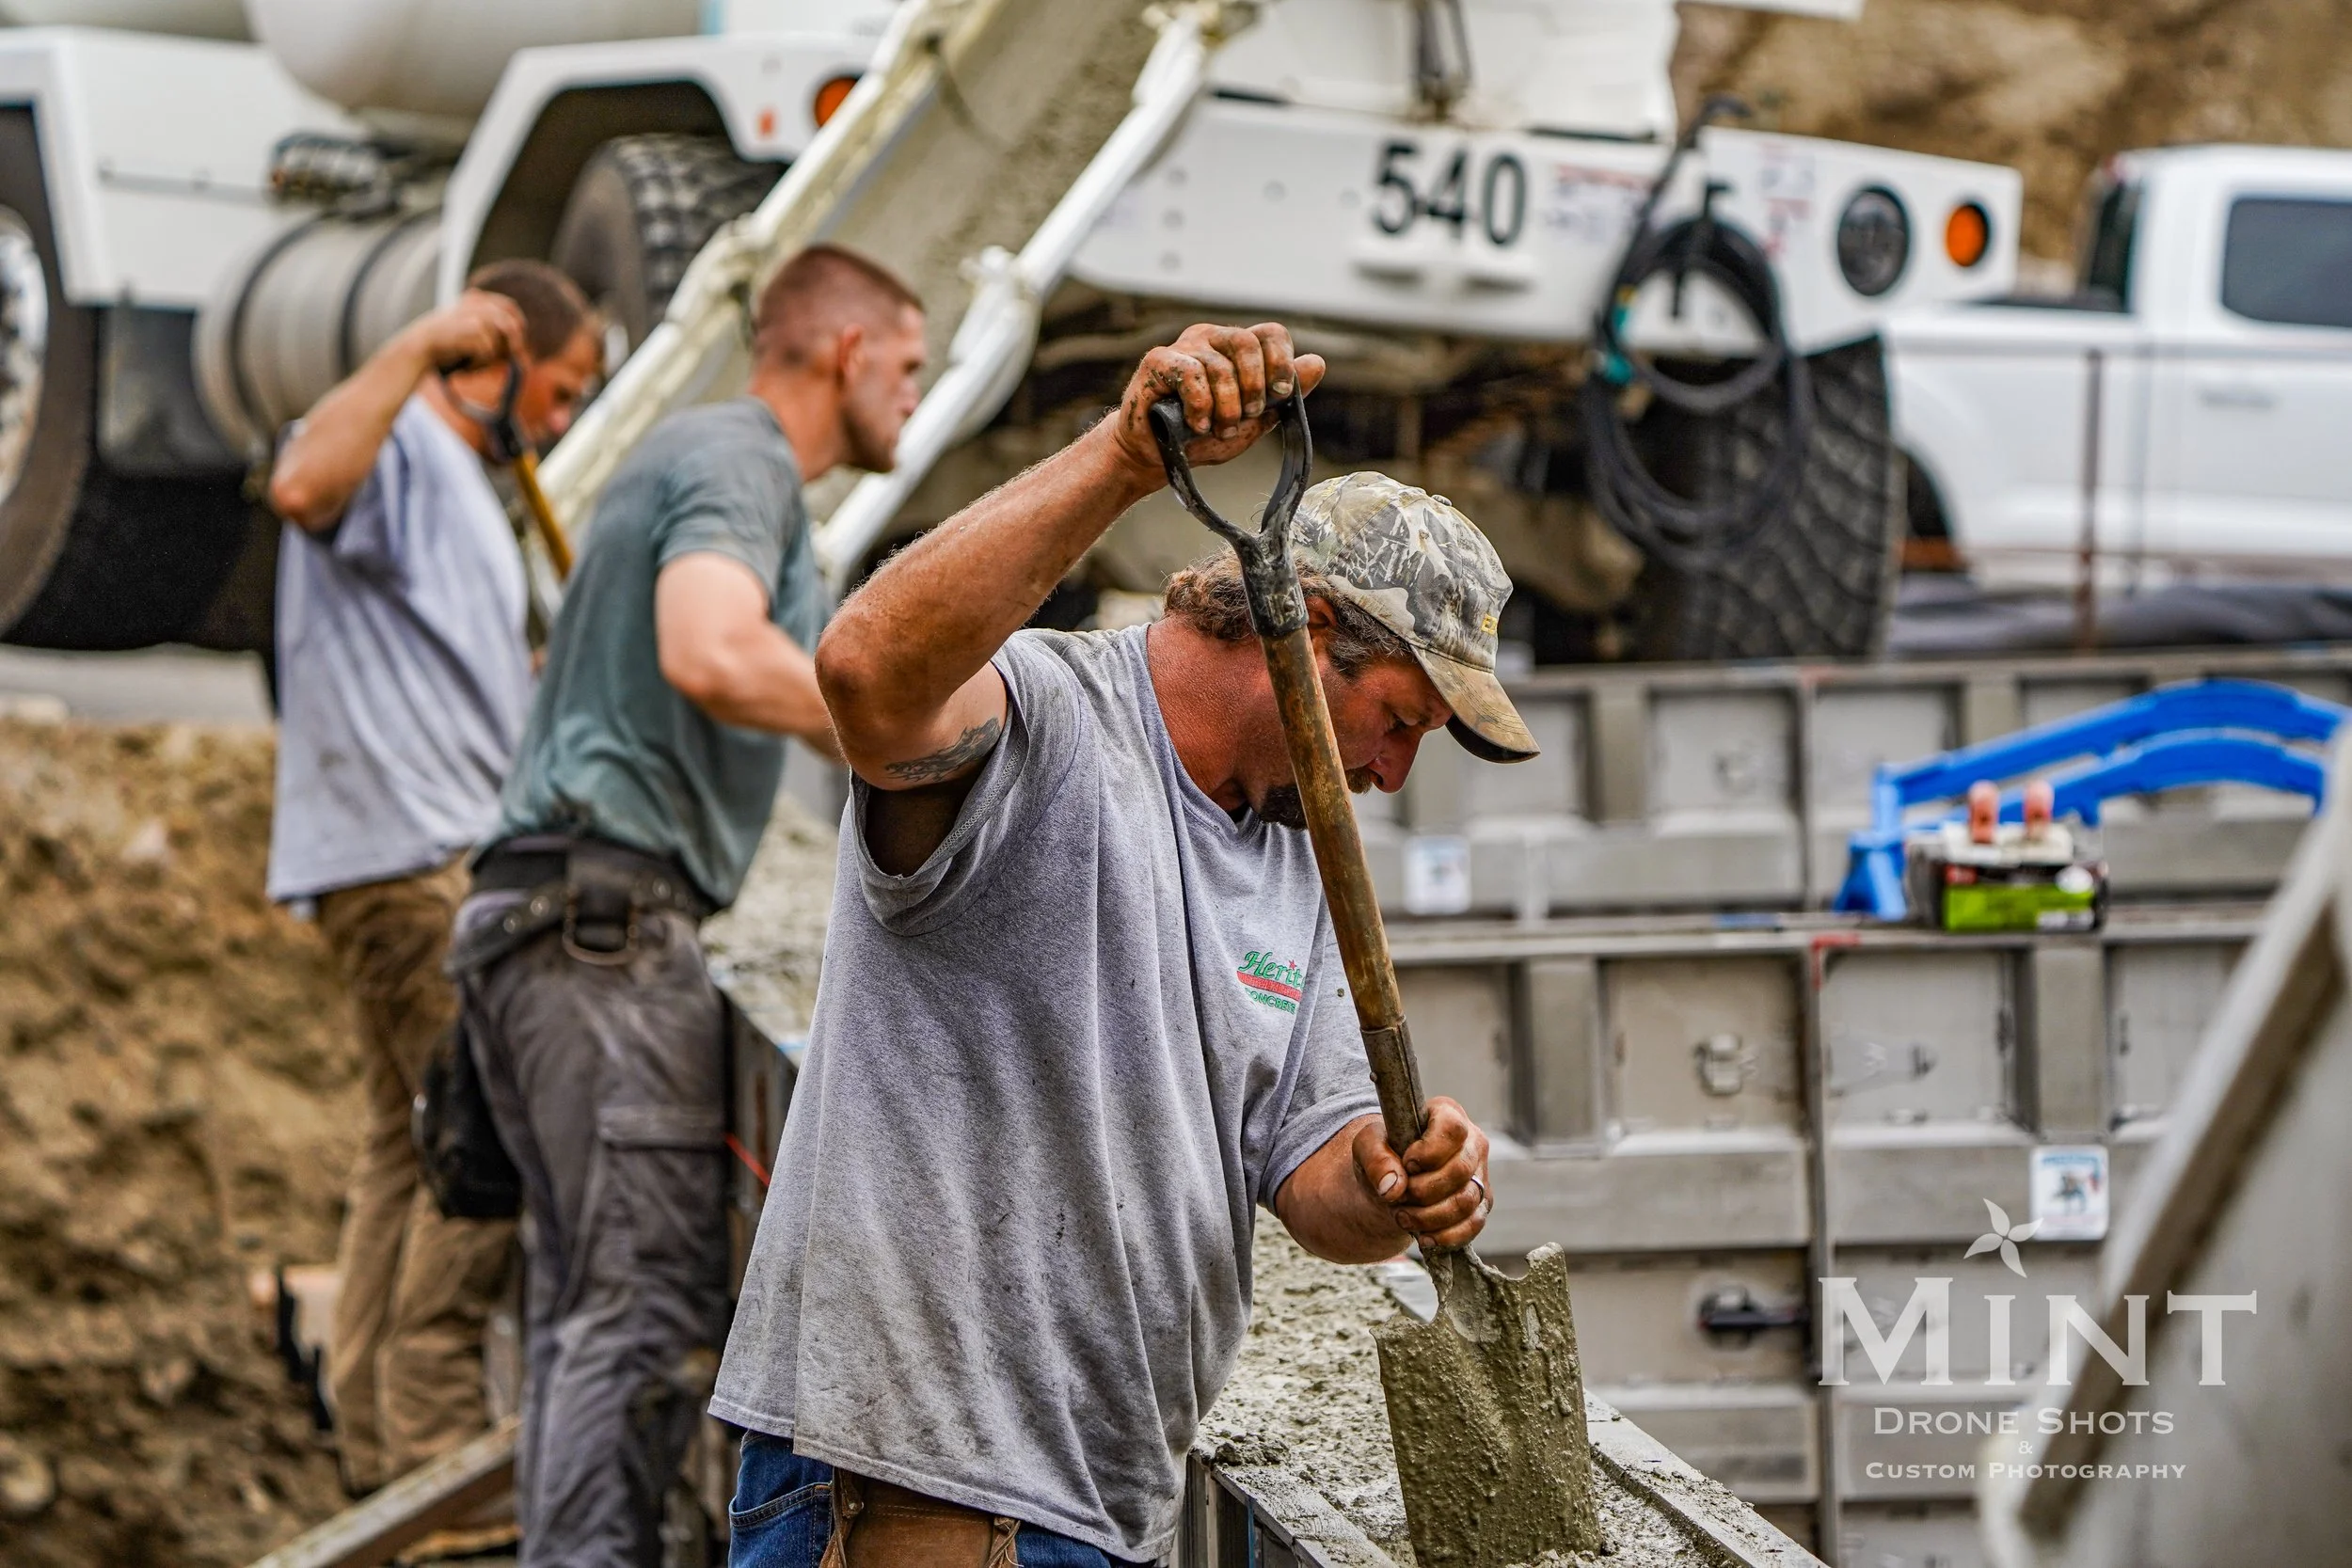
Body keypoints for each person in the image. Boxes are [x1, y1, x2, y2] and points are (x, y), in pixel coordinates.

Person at [713, 321, 1538, 1566]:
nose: (1392, 770)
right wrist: (1121, 459)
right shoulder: (1043, 727)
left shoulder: (1295, 870)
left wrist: (1386, 1176)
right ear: (1304, 630)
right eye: (1399, 719)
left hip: (1106, 1506)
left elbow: (1308, 1172)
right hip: (921, 1492)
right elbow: (866, 674)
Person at [446, 244, 928, 1568]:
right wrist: (908, 728)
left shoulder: (702, 456)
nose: (915, 388)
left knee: (582, 1316)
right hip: (600, 938)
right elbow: (710, 648)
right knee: (639, 1317)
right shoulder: (743, 461)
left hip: (546, 923)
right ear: (844, 352)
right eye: (908, 363)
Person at [262, 259, 599, 1502]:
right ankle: (437, 1455)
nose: (558, 421)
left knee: (404, 1153)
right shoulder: (393, 436)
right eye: (558, 390)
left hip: (429, 849)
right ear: (497, 351)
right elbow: (301, 479)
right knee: (488, 1144)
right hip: (410, 861)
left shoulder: (464, 487)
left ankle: (373, 1442)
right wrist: (420, 342)